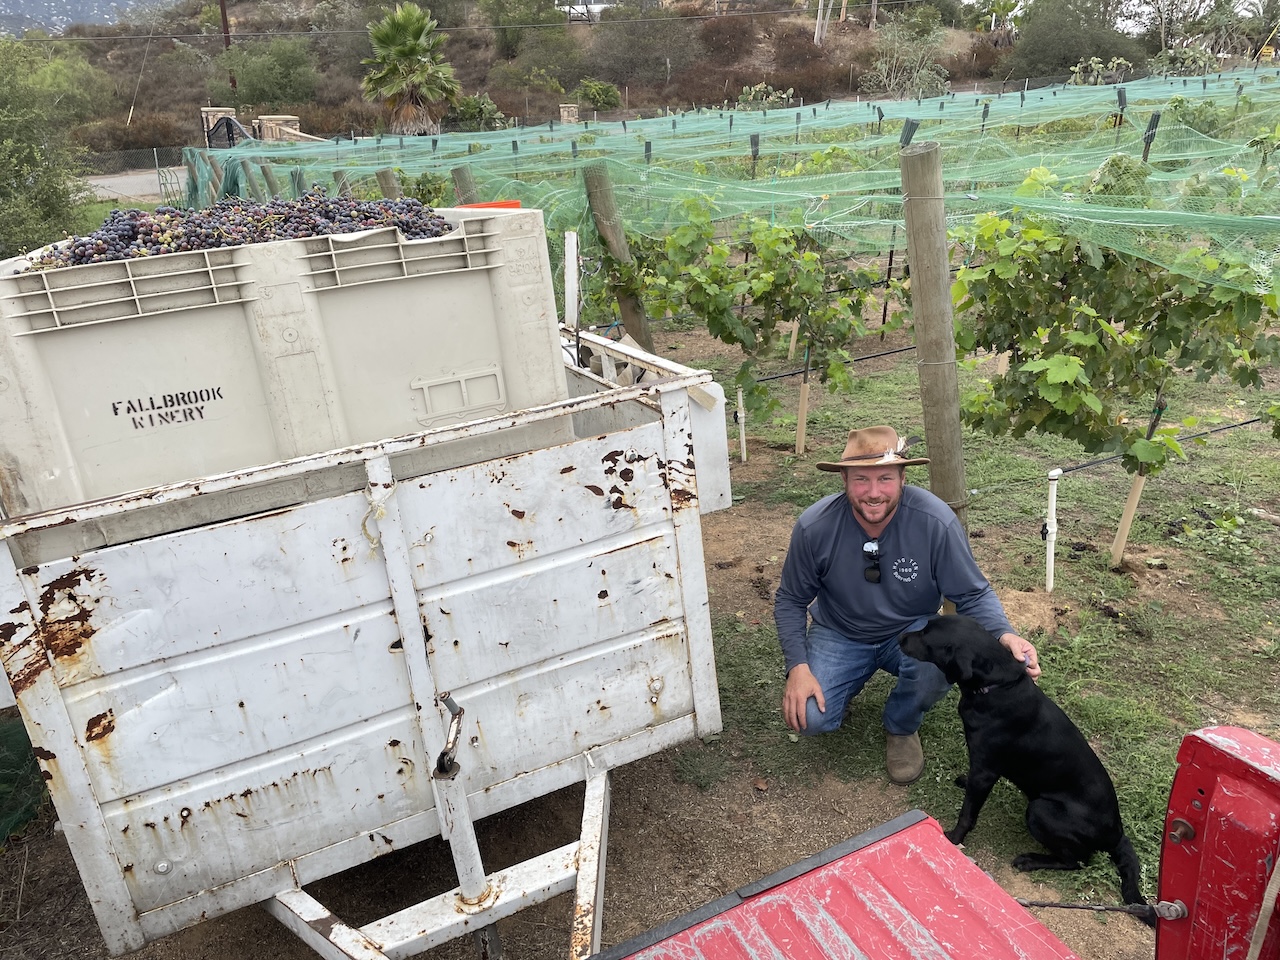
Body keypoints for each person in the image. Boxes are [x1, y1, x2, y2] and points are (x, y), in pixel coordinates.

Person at [773, 424, 1040, 785]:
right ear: (844, 481)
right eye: (860, 480)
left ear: (902, 478)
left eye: (884, 478)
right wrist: (798, 668)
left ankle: (901, 726)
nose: (872, 493)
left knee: (942, 659)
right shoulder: (814, 527)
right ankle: (840, 685)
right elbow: (790, 599)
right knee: (809, 718)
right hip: (840, 632)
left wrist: (1005, 634)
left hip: (912, 629)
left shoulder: (935, 521)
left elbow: (972, 594)